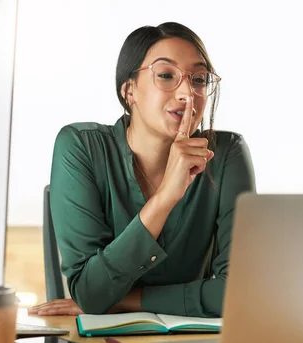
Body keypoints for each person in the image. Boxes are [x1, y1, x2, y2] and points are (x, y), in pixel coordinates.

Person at [28, 22, 256, 318]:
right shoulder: (80, 147)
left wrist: (124, 301)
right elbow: (90, 292)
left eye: (199, 79)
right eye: (165, 75)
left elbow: (237, 293)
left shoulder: (226, 154)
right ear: (129, 90)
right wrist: (165, 199)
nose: (188, 93)